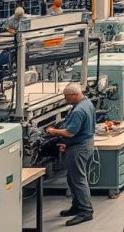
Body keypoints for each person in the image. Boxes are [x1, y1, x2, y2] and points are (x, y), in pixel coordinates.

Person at [45, 83, 96, 226]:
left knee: (78, 180)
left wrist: (53, 131)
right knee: (72, 178)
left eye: (66, 97)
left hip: (79, 148)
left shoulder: (79, 110)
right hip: (83, 144)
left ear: (74, 95)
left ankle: (86, 211)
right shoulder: (87, 103)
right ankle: (77, 205)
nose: (65, 99)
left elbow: (70, 132)